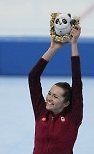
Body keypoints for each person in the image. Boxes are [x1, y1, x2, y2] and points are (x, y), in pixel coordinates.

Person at [28, 25, 83, 154]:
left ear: (66, 103)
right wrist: (53, 48)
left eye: (55, 97)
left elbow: (77, 82)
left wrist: (73, 44)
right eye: (50, 94)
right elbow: (33, 78)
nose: (49, 99)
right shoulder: (41, 111)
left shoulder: (73, 118)